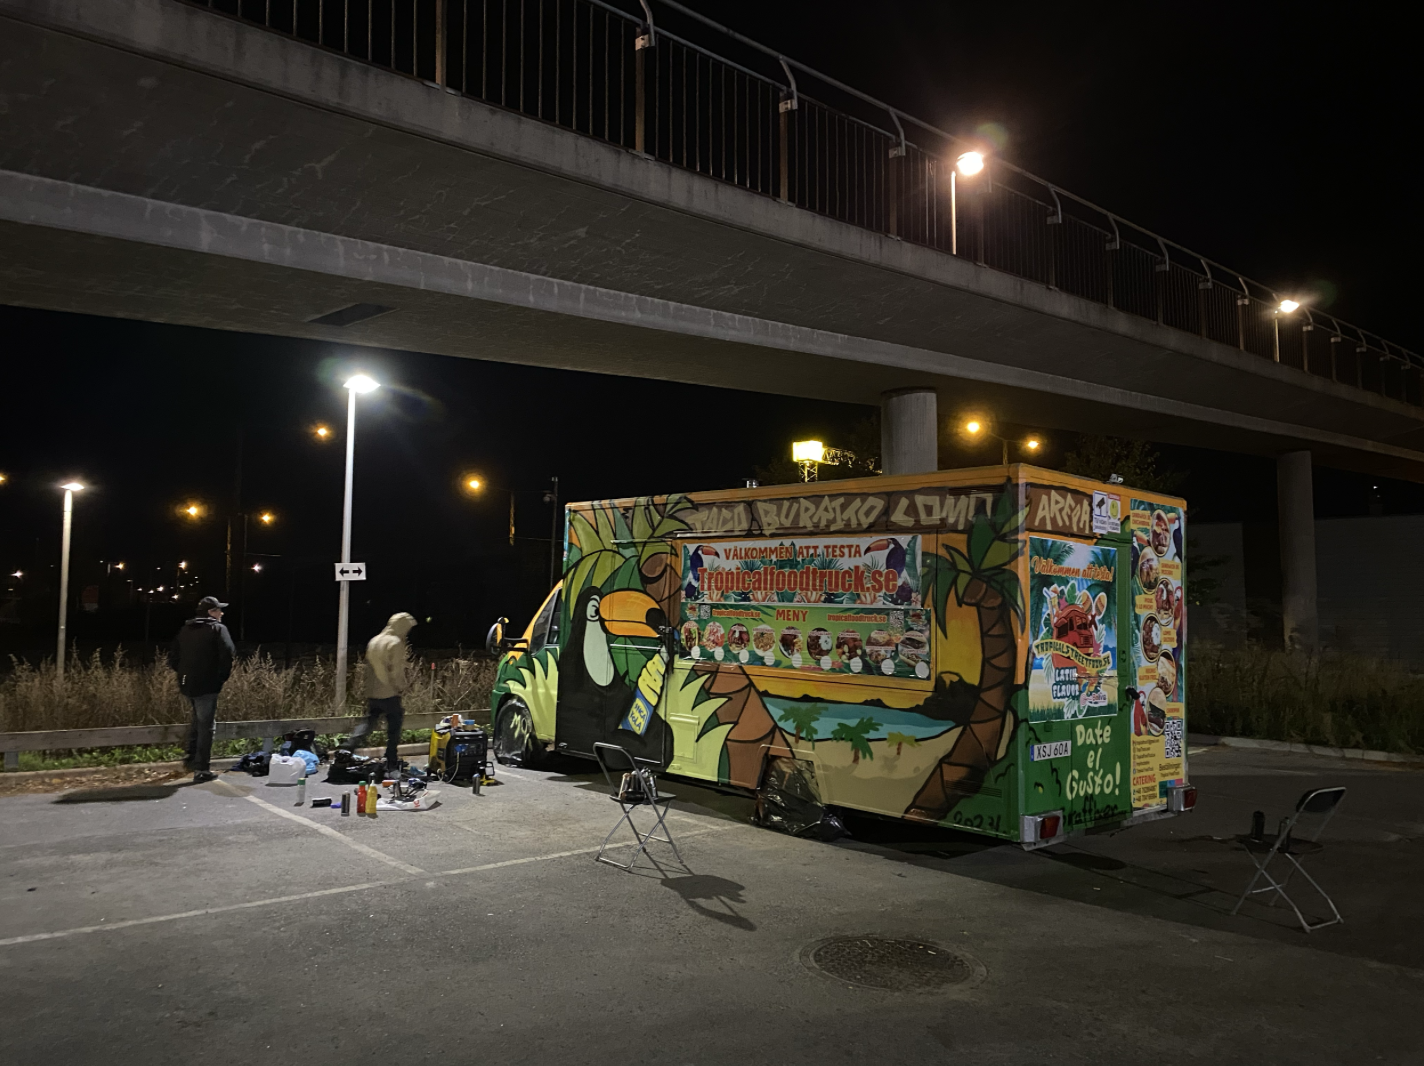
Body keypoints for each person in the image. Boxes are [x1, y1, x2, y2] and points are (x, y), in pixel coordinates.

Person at [169, 595, 236, 783]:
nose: (221, 613)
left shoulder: (185, 629)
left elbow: (173, 657)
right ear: (210, 612)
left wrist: (183, 673)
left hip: (187, 683)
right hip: (207, 685)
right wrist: (221, 678)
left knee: (197, 722)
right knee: (206, 726)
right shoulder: (217, 629)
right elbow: (228, 654)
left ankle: (190, 760)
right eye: (218, 610)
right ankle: (202, 769)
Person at [347, 612, 418, 772]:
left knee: (369, 722)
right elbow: (396, 671)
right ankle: (391, 758)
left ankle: (347, 747)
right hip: (389, 692)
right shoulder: (395, 643)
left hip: (372, 692)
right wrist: (401, 687)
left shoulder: (374, 640)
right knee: (394, 725)